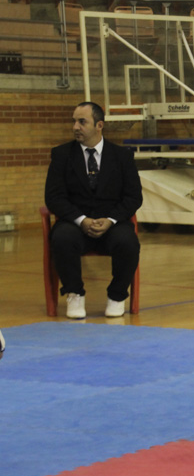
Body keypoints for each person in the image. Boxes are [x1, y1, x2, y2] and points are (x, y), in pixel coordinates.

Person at [44, 102, 142, 319]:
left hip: (112, 223)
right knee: (61, 237)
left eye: (82, 121)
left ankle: (117, 296)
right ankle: (74, 293)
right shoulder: (61, 155)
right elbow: (53, 197)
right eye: (74, 121)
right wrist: (81, 220)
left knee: (128, 241)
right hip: (75, 224)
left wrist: (110, 219)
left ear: (99, 125)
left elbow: (134, 197)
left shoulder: (122, 156)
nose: (75, 127)